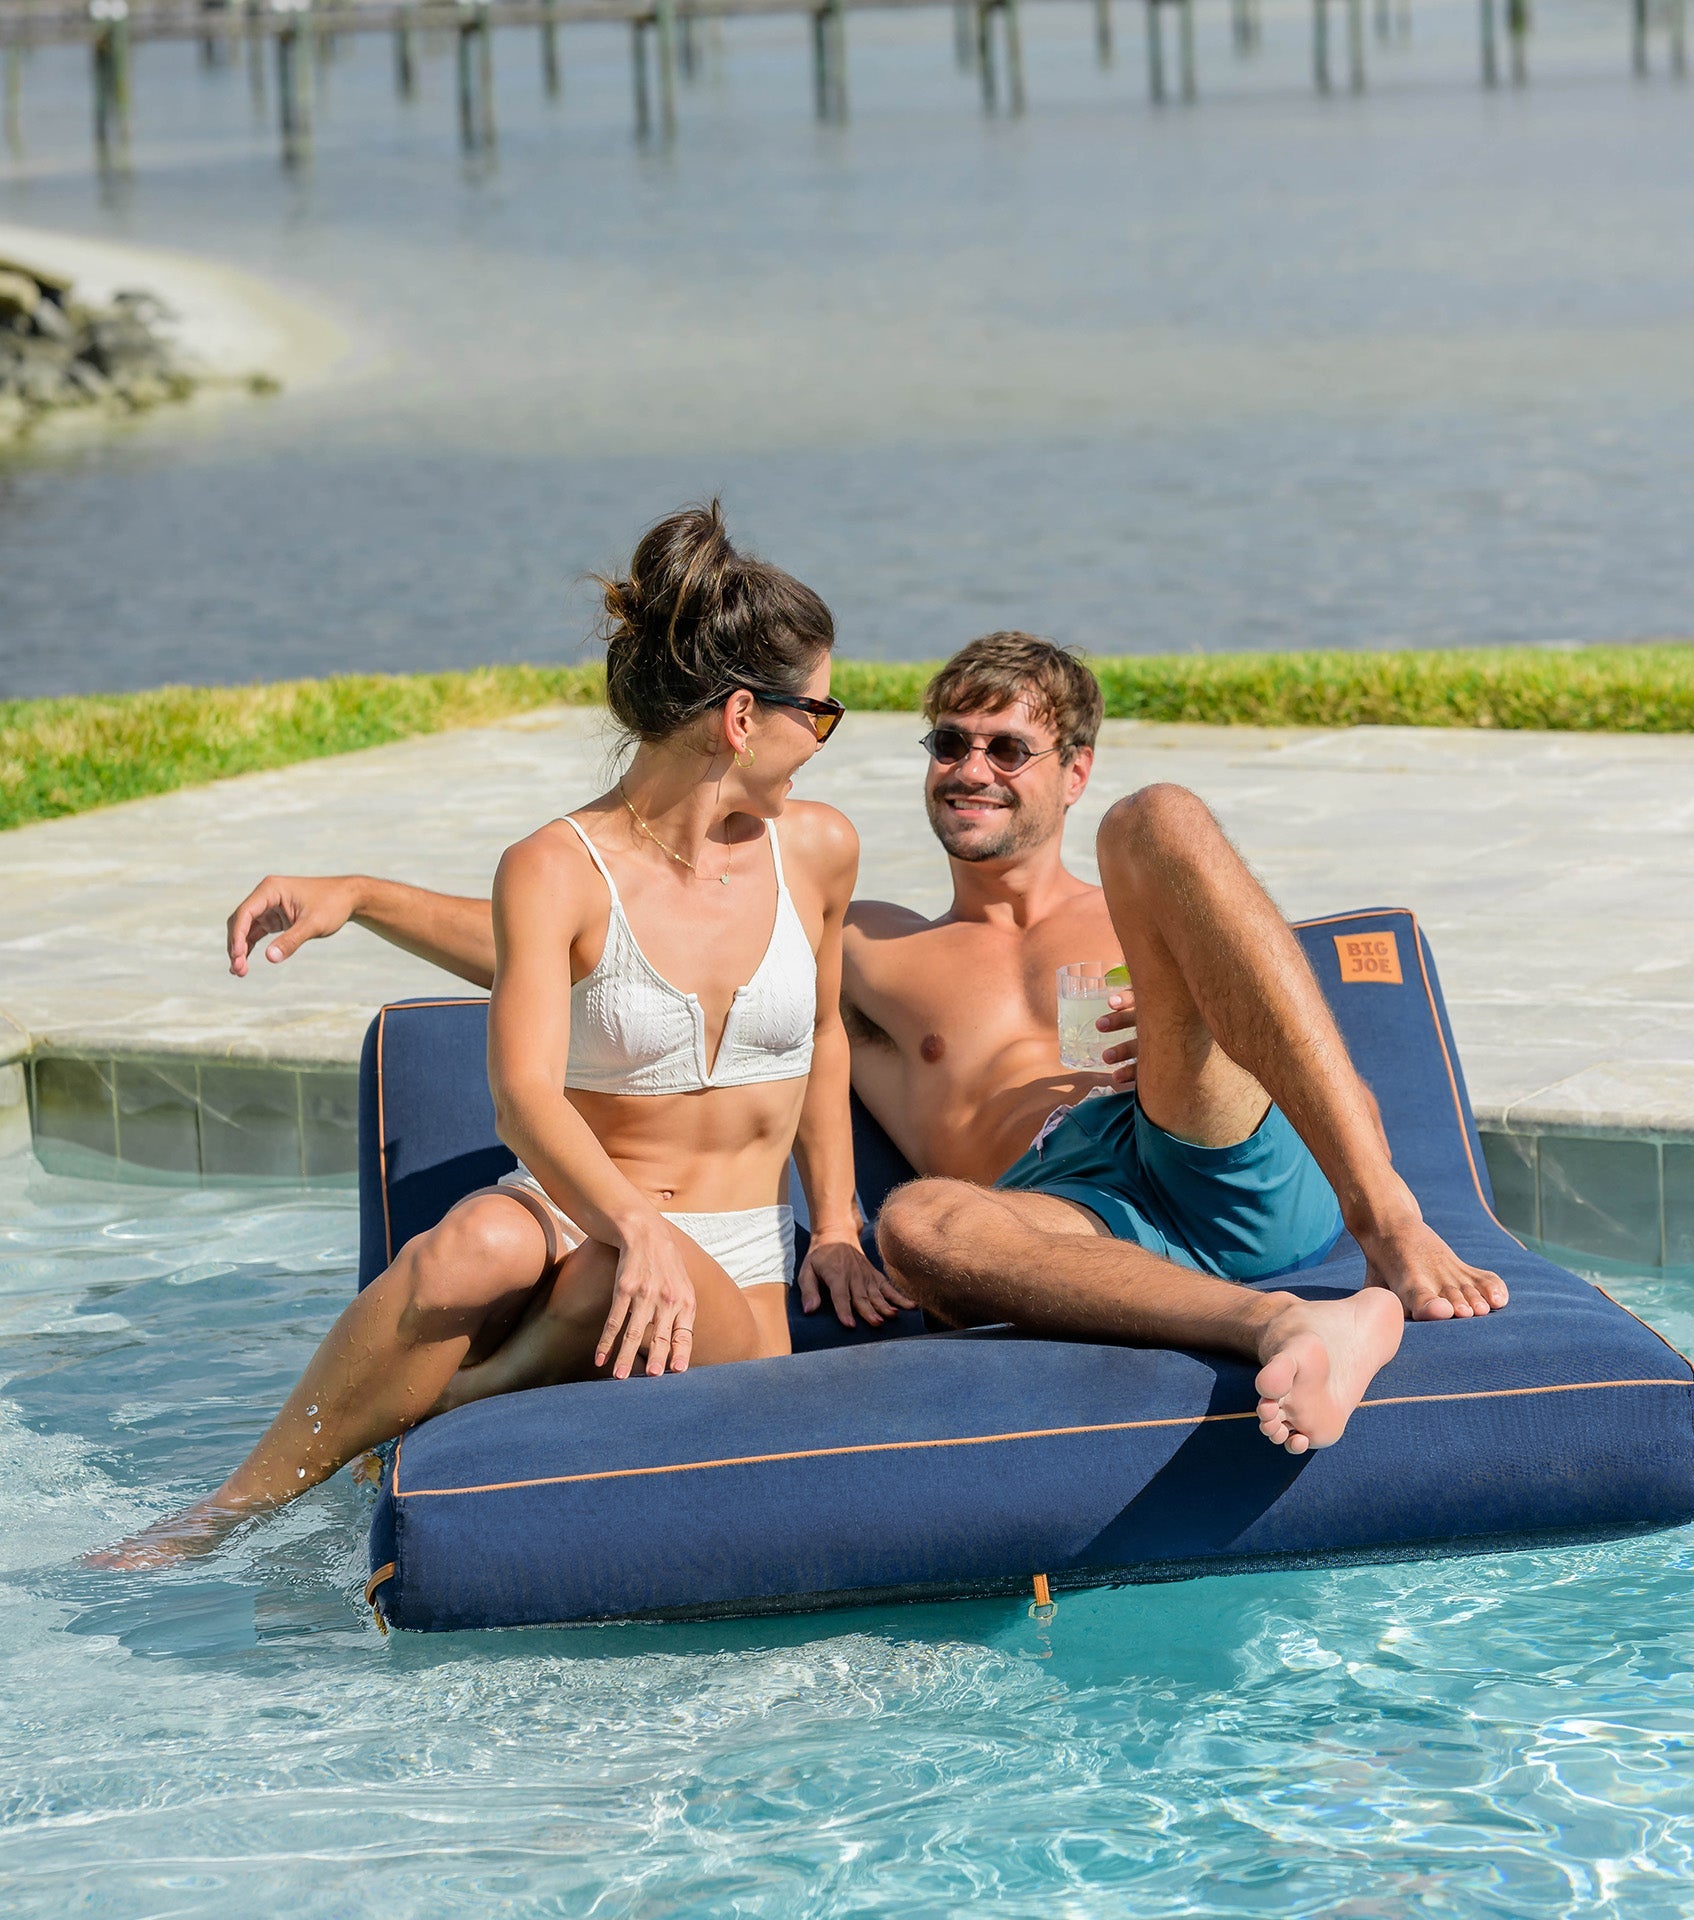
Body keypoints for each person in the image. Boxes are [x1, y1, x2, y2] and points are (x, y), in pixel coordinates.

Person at [215, 636, 1507, 1459]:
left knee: (1163, 822)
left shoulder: (1126, 911)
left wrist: (1187, 1008)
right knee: (929, 1226)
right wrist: (369, 896)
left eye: (1011, 746)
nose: (973, 767)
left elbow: (1246, 954)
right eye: (950, 742)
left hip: (1197, 1135)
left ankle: (1384, 1224)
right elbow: (594, 950)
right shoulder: (872, 946)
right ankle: (1301, 1328)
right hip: (1069, 1220)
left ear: (1073, 768)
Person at [87, 502, 883, 1568]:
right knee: (479, 1244)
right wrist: (634, 1224)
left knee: (615, 1275)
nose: (820, 744)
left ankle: (460, 1398)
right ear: (741, 717)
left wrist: (832, 1221)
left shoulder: (818, 851)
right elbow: (523, 1098)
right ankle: (221, 1516)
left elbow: (823, 1035)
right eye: (818, 717)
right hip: (573, 1212)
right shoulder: (556, 866)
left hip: (730, 1262)